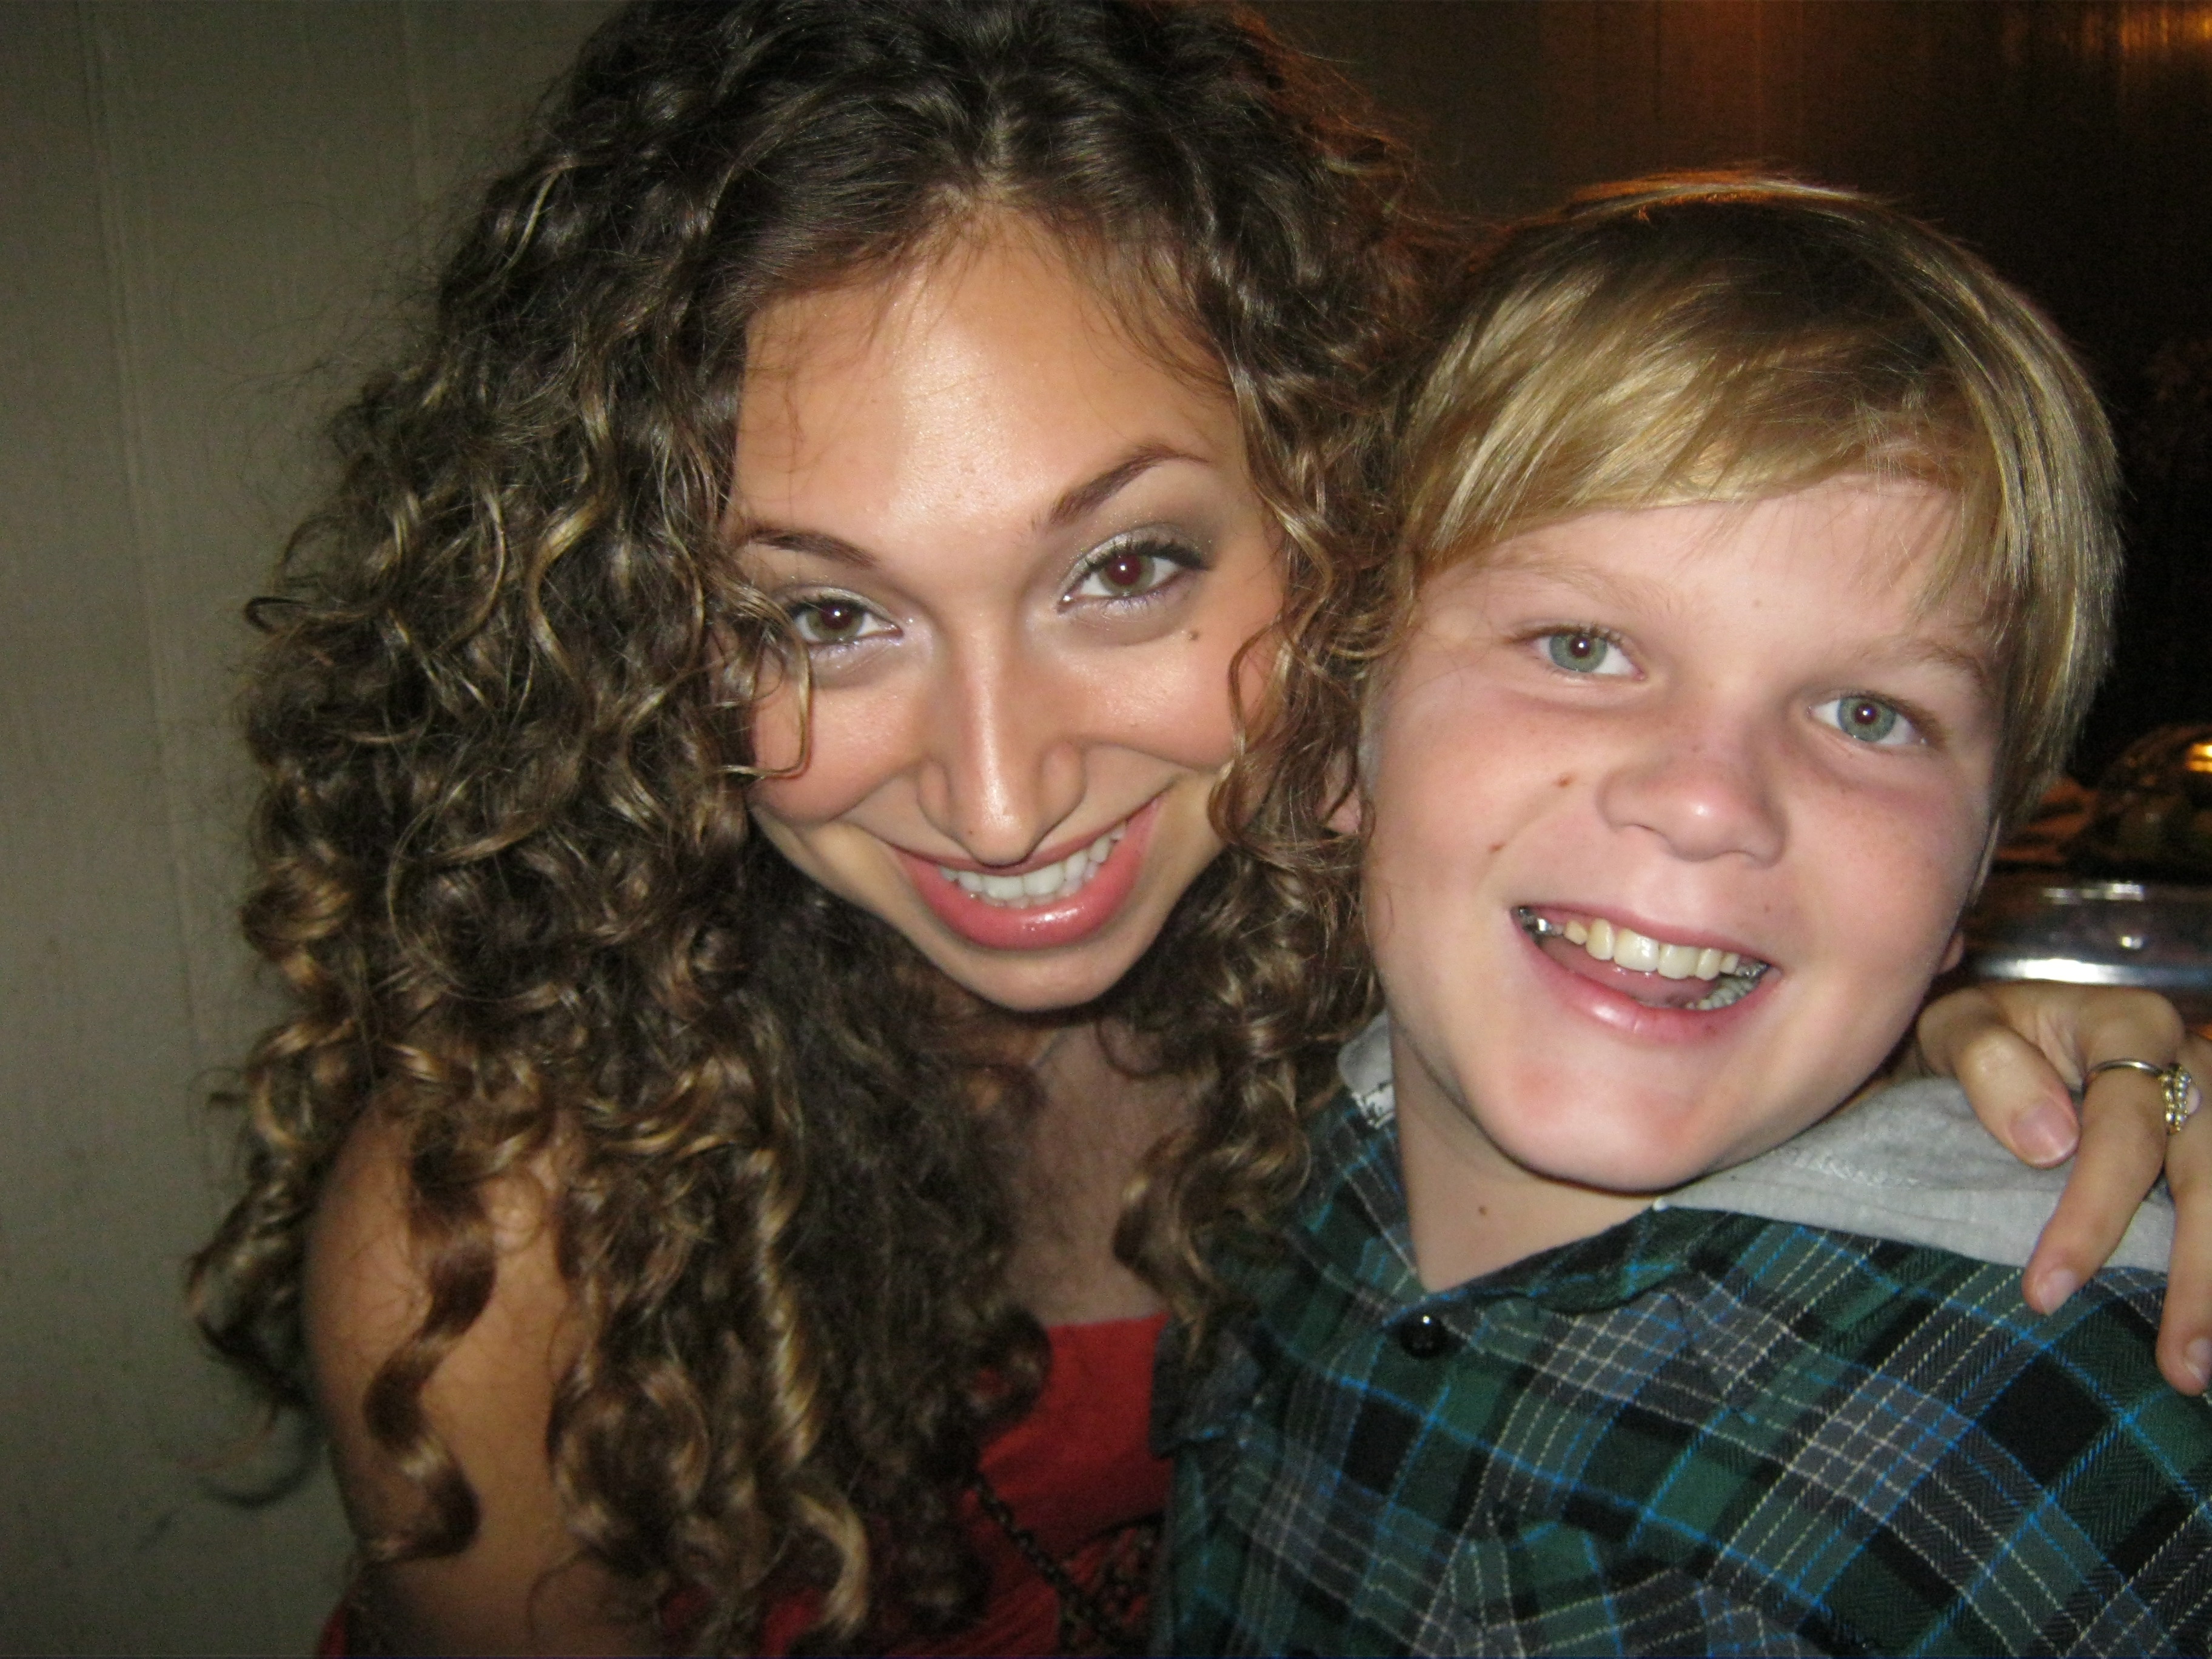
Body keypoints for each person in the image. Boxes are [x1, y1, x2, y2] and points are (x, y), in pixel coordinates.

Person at [184, 5, 2204, 1651]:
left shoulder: (1425, 947)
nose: (998, 793)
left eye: (1124, 567)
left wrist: (1986, 1063)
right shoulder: (512, 1237)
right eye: (819, 614)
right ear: (636, 633)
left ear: (1333, 531)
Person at [1157, 176, 2212, 1655]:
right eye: (1581, 645)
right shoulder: (1277, 1165)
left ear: (1983, 865)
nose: (1712, 799)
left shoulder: (2078, 1453)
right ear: (1338, 737)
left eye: (1869, 712)